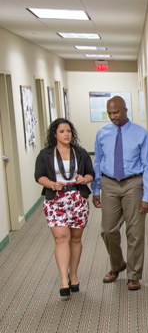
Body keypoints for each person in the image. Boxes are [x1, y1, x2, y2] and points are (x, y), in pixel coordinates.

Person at [92, 96, 148, 291]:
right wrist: (96, 188)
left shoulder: (141, 134)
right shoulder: (102, 133)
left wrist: (147, 196)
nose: (113, 117)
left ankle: (134, 275)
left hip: (133, 184)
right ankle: (117, 265)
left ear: (125, 110)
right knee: (108, 230)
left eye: (116, 113)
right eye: (109, 113)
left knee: (134, 232)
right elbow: (97, 161)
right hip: (109, 183)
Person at [34, 118, 95, 298]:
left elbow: (91, 173)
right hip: (56, 200)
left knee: (75, 238)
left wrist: (85, 179)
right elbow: (39, 176)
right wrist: (52, 184)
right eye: (62, 131)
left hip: (77, 199)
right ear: (54, 134)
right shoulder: (45, 154)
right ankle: (63, 280)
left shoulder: (81, 153)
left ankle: (73, 276)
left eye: (68, 131)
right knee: (61, 237)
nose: (66, 134)